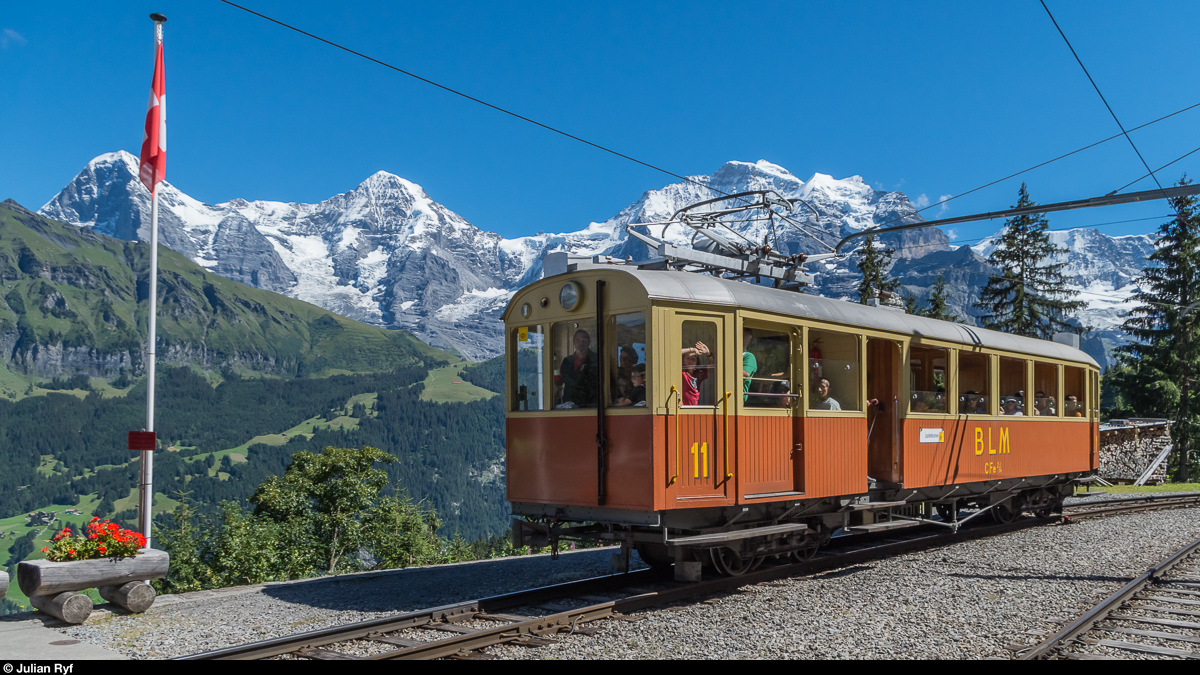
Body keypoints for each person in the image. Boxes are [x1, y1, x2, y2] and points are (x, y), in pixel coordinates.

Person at [559, 329, 598, 407]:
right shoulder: (567, 361)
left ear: (589, 341)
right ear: (573, 342)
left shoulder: (597, 359)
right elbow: (559, 382)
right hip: (569, 405)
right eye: (578, 339)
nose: (581, 342)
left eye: (584, 339)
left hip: (591, 406)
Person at [681, 341, 711, 406]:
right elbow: (674, 353)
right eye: (688, 358)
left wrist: (708, 353)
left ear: (697, 362)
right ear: (683, 361)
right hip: (683, 409)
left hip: (694, 408)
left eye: (693, 359)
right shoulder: (682, 373)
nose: (690, 361)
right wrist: (692, 349)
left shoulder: (698, 374)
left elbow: (712, 364)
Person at [742, 328, 757, 403]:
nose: (744, 340)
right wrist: (709, 354)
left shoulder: (749, 356)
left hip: (738, 397)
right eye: (742, 337)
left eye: (747, 338)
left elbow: (745, 374)